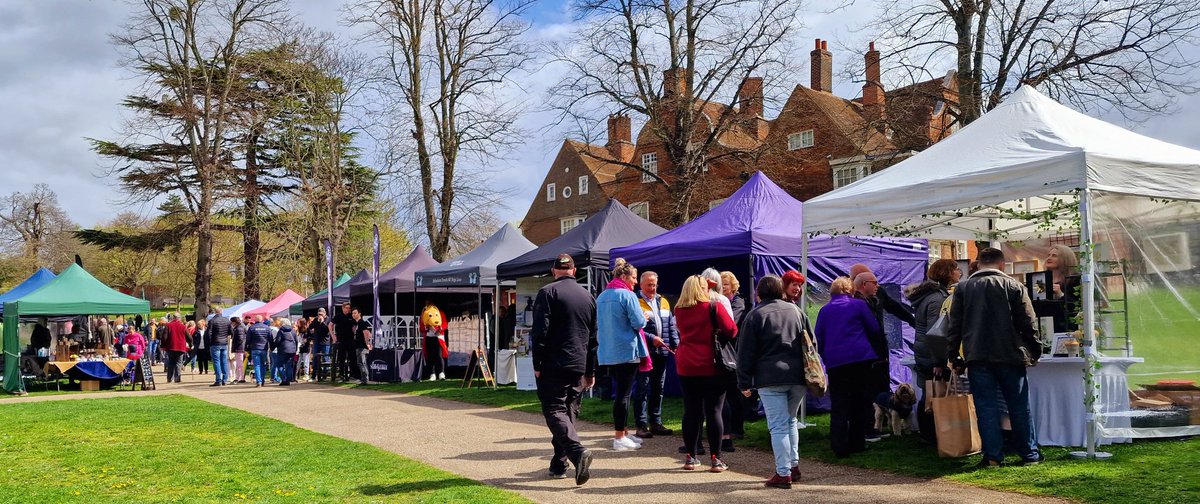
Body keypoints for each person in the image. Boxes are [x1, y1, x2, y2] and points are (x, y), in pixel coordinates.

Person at [947, 247, 1042, 467]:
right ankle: (1029, 454)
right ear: (1002, 265)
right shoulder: (1015, 286)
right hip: (1010, 355)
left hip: (977, 355)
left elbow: (955, 327)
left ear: (979, 264)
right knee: (1019, 406)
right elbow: (1029, 323)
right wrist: (1035, 351)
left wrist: (954, 355)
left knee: (986, 407)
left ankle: (992, 457)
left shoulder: (962, 289)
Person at [736, 274, 809, 488]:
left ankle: (783, 473)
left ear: (759, 293)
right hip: (797, 376)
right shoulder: (797, 311)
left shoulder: (755, 315)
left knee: (778, 426)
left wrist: (743, 382)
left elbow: (745, 353)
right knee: (791, 421)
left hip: (770, 377)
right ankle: (793, 466)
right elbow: (810, 342)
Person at [530, 253, 597, 485]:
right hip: (578, 362)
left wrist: (537, 363)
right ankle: (559, 463)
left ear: (553, 270)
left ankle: (577, 453)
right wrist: (590, 371)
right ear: (574, 270)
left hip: (554, 362)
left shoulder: (547, 292)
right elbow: (593, 338)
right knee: (568, 412)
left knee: (554, 409)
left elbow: (539, 332)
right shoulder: (588, 296)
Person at [674, 274, 738, 473]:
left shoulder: (678, 309)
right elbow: (732, 330)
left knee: (691, 410)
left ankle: (691, 457)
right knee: (714, 411)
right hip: (711, 364)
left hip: (686, 363)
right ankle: (716, 459)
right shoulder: (713, 307)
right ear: (702, 288)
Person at [816, 276, 883, 458]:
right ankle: (857, 443)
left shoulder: (824, 311)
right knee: (859, 402)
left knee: (839, 403)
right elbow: (874, 329)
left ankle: (838, 445)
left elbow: (819, 337)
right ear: (849, 290)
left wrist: (826, 356)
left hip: (836, 362)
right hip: (860, 358)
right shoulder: (859, 305)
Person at [907, 259, 961, 444]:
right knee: (934, 394)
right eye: (955, 269)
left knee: (928, 392)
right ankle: (932, 434)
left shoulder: (929, 296)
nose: (959, 272)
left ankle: (927, 434)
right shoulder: (938, 299)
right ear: (947, 273)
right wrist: (939, 361)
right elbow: (936, 333)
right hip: (932, 354)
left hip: (923, 351)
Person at [596, 258, 648, 452]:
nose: (635, 282)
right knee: (623, 396)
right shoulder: (627, 296)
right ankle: (619, 436)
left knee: (621, 394)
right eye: (634, 278)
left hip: (608, 351)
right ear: (624, 276)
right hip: (627, 350)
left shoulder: (602, 296)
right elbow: (638, 323)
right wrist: (646, 317)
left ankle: (624, 433)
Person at [633, 271, 677, 440]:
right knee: (643, 388)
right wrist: (651, 339)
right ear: (641, 285)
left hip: (663, 353)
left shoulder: (663, 301)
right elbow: (636, 327)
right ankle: (641, 425)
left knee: (658, 388)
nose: (652, 288)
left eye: (654, 284)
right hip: (645, 352)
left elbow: (671, 326)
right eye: (649, 285)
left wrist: (676, 345)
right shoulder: (636, 301)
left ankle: (656, 422)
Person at [719, 270, 748, 452]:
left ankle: (737, 428)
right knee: (730, 393)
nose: (723, 288)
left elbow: (732, 323)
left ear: (733, 286)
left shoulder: (738, 303)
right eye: (721, 285)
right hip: (726, 352)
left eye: (726, 285)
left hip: (735, 352)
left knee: (735, 394)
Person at [419, 300, 449, 381]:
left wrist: (440, 328)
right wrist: (427, 327)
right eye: (427, 305)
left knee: (439, 355)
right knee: (430, 356)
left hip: (438, 337)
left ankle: (441, 373)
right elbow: (421, 328)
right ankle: (432, 374)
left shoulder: (440, 313)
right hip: (429, 337)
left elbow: (445, 323)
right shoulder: (424, 315)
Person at [245, 315, 274, 387]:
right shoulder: (267, 328)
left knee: (257, 365)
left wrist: (246, 349)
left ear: (255, 320)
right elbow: (271, 339)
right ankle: (262, 380)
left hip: (255, 348)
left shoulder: (252, 328)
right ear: (262, 320)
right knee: (263, 365)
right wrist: (272, 347)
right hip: (264, 349)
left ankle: (259, 381)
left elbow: (248, 339)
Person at [330, 302, 356, 382]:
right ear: (343, 308)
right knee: (341, 358)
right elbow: (330, 325)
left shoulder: (351, 316)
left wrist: (355, 335)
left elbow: (354, 327)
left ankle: (352, 375)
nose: (348, 309)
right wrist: (333, 336)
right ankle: (341, 375)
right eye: (346, 308)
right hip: (341, 340)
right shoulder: (338, 316)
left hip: (350, 340)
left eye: (349, 308)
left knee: (352, 357)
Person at [208, 307, 232, 387]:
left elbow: (209, 333)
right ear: (222, 312)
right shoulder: (227, 320)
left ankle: (218, 380)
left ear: (215, 312)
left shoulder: (212, 321)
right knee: (224, 361)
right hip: (224, 342)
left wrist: (210, 342)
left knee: (217, 362)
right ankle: (225, 379)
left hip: (215, 343)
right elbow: (230, 332)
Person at [162, 314, 190, 383]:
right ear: (179, 318)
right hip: (180, 347)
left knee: (171, 362)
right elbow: (188, 337)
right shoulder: (183, 326)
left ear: (173, 318)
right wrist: (191, 343)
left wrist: (163, 345)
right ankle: (177, 378)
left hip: (170, 347)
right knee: (178, 363)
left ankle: (169, 378)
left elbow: (164, 337)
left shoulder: (168, 325)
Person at [351, 308, 373, 385]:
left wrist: (367, 343)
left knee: (361, 363)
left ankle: (365, 380)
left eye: (355, 313)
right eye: (352, 313)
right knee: (362, 363)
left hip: (362, 346)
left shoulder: (361, 322)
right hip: (358, 346)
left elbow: (367, 333)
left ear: (359, 314)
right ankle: (364, 379)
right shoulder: (357, 324)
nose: (353, 315)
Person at [310, 308, 332, 382]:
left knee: (325, 359)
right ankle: (314, 376)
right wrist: (317, 322)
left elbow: (327, 329)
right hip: (316, 342)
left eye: (321, 314)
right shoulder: (316, 319)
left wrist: (322, 322)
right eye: (319, 314)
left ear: (325, 314)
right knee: (315, 359)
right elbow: (310, 327)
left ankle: (325, 375)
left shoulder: (328, 319)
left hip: (325, 342)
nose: (320, 316)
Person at [276, 318, 299, 386]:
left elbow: (278, 340)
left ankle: (284, 379)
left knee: (279, 365)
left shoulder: (281, 331)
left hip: (283, 350)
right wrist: (295, 349)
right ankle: (288, 380)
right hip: (292, 350)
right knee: (289, 366)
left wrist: (273, 347)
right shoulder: (293, 331)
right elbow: (296, 341)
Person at [230, 317, 247, 384]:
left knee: (239, 364)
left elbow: (240, 339)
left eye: (232, 322)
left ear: (234, 322)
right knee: (239, 363)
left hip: (239, 348)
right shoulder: (239, 328)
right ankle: (240, 377)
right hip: (239, 348)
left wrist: (235, 347)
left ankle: (239, 377)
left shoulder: (238, 328)